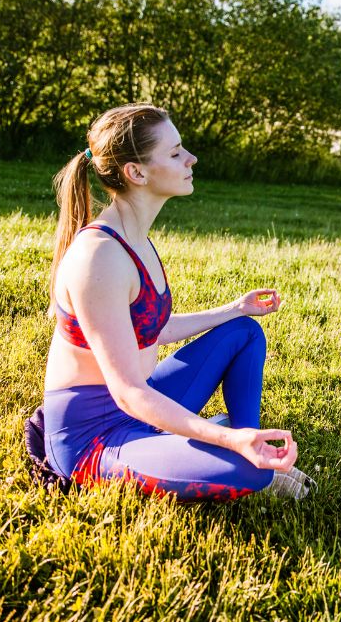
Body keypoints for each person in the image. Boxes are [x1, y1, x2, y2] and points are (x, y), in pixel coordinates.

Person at [37, 103, 312, 502]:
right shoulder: (99, 257)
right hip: (94, 439)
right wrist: (226, 438)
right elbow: (128, 391)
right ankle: (248, 459)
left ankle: (250, 447)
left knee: (243, 332)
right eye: (175, 152)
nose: (191, 158)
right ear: (136, 172)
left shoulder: (134, 238)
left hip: (138, 408)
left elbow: (154, 331)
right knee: (247, 474)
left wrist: (234, 309)